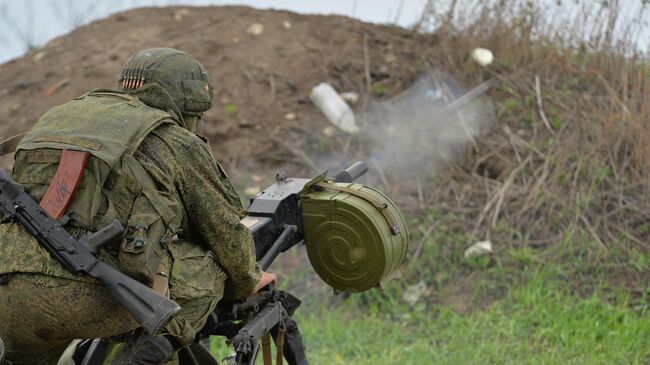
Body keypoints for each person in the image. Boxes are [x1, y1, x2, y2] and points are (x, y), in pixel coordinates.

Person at [0, 48, 276, 365]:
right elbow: (226, 233)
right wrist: (249, 279)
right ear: (183, 104)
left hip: (7, 291)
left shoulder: (56, 118)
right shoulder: (171, 137)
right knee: (212, 269)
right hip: (83, 295)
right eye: (196, 116)